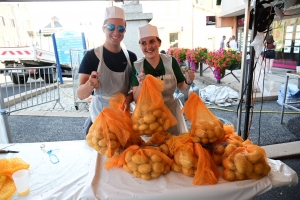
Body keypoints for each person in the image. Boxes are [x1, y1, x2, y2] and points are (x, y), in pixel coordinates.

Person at [77, 6, 137, 134]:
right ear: (103, 28)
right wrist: (90, 84)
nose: (116, 32)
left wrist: (127, 100)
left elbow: (135, 91)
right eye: (111, 27)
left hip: (123, 116)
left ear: (125, 31)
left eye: (121, 28)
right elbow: (81, 95)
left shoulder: (131, 57)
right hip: (100, 117)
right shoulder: (92, 56)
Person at [131, 24, 195, 135]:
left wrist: (188, 82)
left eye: (152, 41)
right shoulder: (137, 67)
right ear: (140, 46)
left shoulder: (170, 61)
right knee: (152, 150)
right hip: (148, 120)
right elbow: (137, 100)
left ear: (159, 43)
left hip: (171, 113)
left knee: (173, 147)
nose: (148, 47)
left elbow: (182, 86)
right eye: (143, 43)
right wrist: (141, 84)